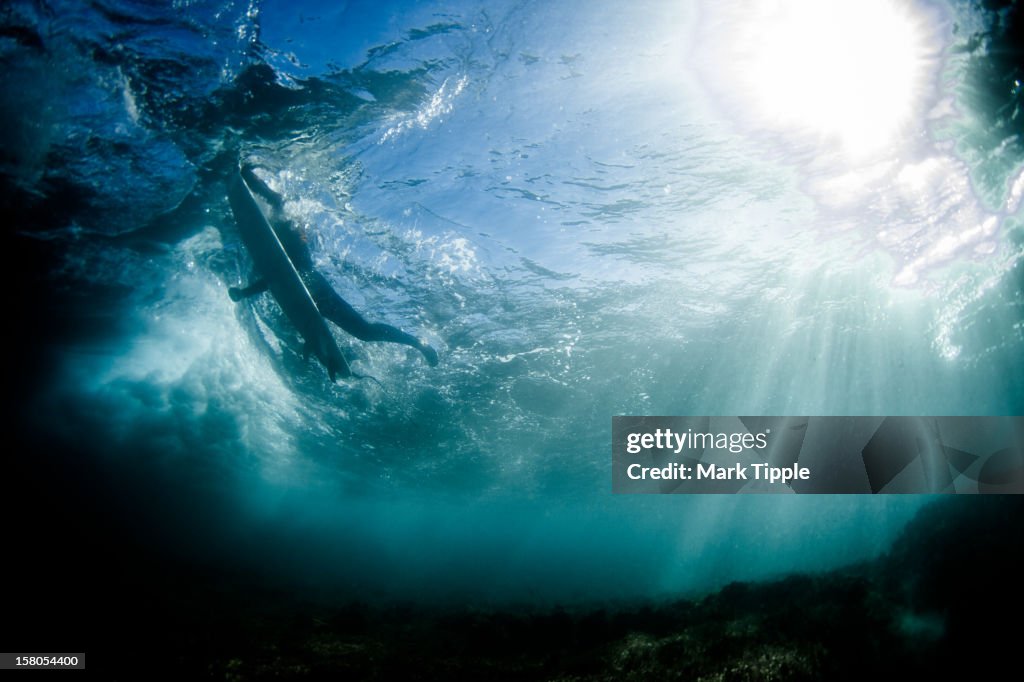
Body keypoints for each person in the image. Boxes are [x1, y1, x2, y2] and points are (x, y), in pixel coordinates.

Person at [229, 164, 439, 367]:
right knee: (281, 208)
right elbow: (278, 277)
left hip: (316, 288)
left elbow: (280, 276)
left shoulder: (287, 219)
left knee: (364, 332)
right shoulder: (281, 221)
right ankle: (249, 176)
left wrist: (245, 292)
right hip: (300, 287)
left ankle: (418, 344)